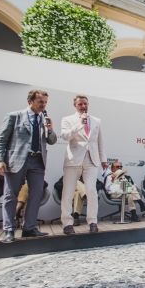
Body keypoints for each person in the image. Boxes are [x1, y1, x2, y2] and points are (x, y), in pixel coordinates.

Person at [0, 89, 56, 243]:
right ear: (30, 101)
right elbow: (1, 139)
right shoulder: (14, 116)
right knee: (10, 195)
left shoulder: (44, 119)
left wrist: (50, 129)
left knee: (36, 195)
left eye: (45, 102)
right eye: (40, 101)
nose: (43, 105)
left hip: (38, 161)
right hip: (17, 160)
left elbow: (52, 141)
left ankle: (29, 228)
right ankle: (9, 230)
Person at [60, 95, 107, 235]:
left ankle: (93, 221)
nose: (83, 106)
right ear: (75, 105)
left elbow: (100, 141)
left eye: (85, 104)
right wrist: (80, 123)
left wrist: (103, 159)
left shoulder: (97, 121)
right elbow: (65, 136)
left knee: (91, 191)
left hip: (92, 159)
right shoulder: (67, 119)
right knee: (68, 192)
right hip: (73, 159)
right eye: (80, 104)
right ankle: (67, 223)